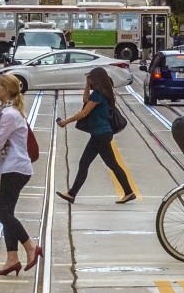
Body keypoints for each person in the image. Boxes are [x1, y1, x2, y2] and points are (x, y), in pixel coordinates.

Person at [55, 67, 137, 205]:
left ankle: (72, 194)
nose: (90, 81)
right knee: (104, 164)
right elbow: (85, 99)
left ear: (97, 79)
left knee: (90, 164)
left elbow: (84, 113)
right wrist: (87, 84)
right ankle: (128, 192)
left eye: (91, 79)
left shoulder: (98, 95)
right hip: (101, 134)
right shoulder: (102, 93)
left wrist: (65, 121)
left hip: (100, 134)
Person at [0, 73, 42, 276]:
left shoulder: (9, 114)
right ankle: (12, 258)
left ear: (7, 90)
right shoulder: (8, 111)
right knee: (7, 212)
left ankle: (30, 246)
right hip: (14, 167)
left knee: (0, 213)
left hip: (15, 168)